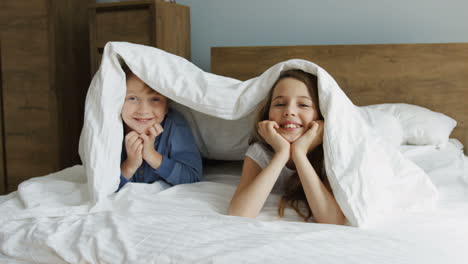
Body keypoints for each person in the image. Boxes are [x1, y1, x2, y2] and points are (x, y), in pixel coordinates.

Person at [228, 69, 346, 225]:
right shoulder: (260, 152)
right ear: (267, 113)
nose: (289, 111)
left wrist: (299, 154)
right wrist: (282, 153)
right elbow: (239, 214)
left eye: (303, 104)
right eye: (280, 104)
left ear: (321, 114)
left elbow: (332, 220)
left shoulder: (329, 154)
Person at [117, 64, 202, 191]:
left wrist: (152, 156)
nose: (144, 111)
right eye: (132, 98)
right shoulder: (111, 128)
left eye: (155, 99)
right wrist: (130, 165)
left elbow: (192, 178)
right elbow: (102, 185)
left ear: (167, 105)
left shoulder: (175, 126)